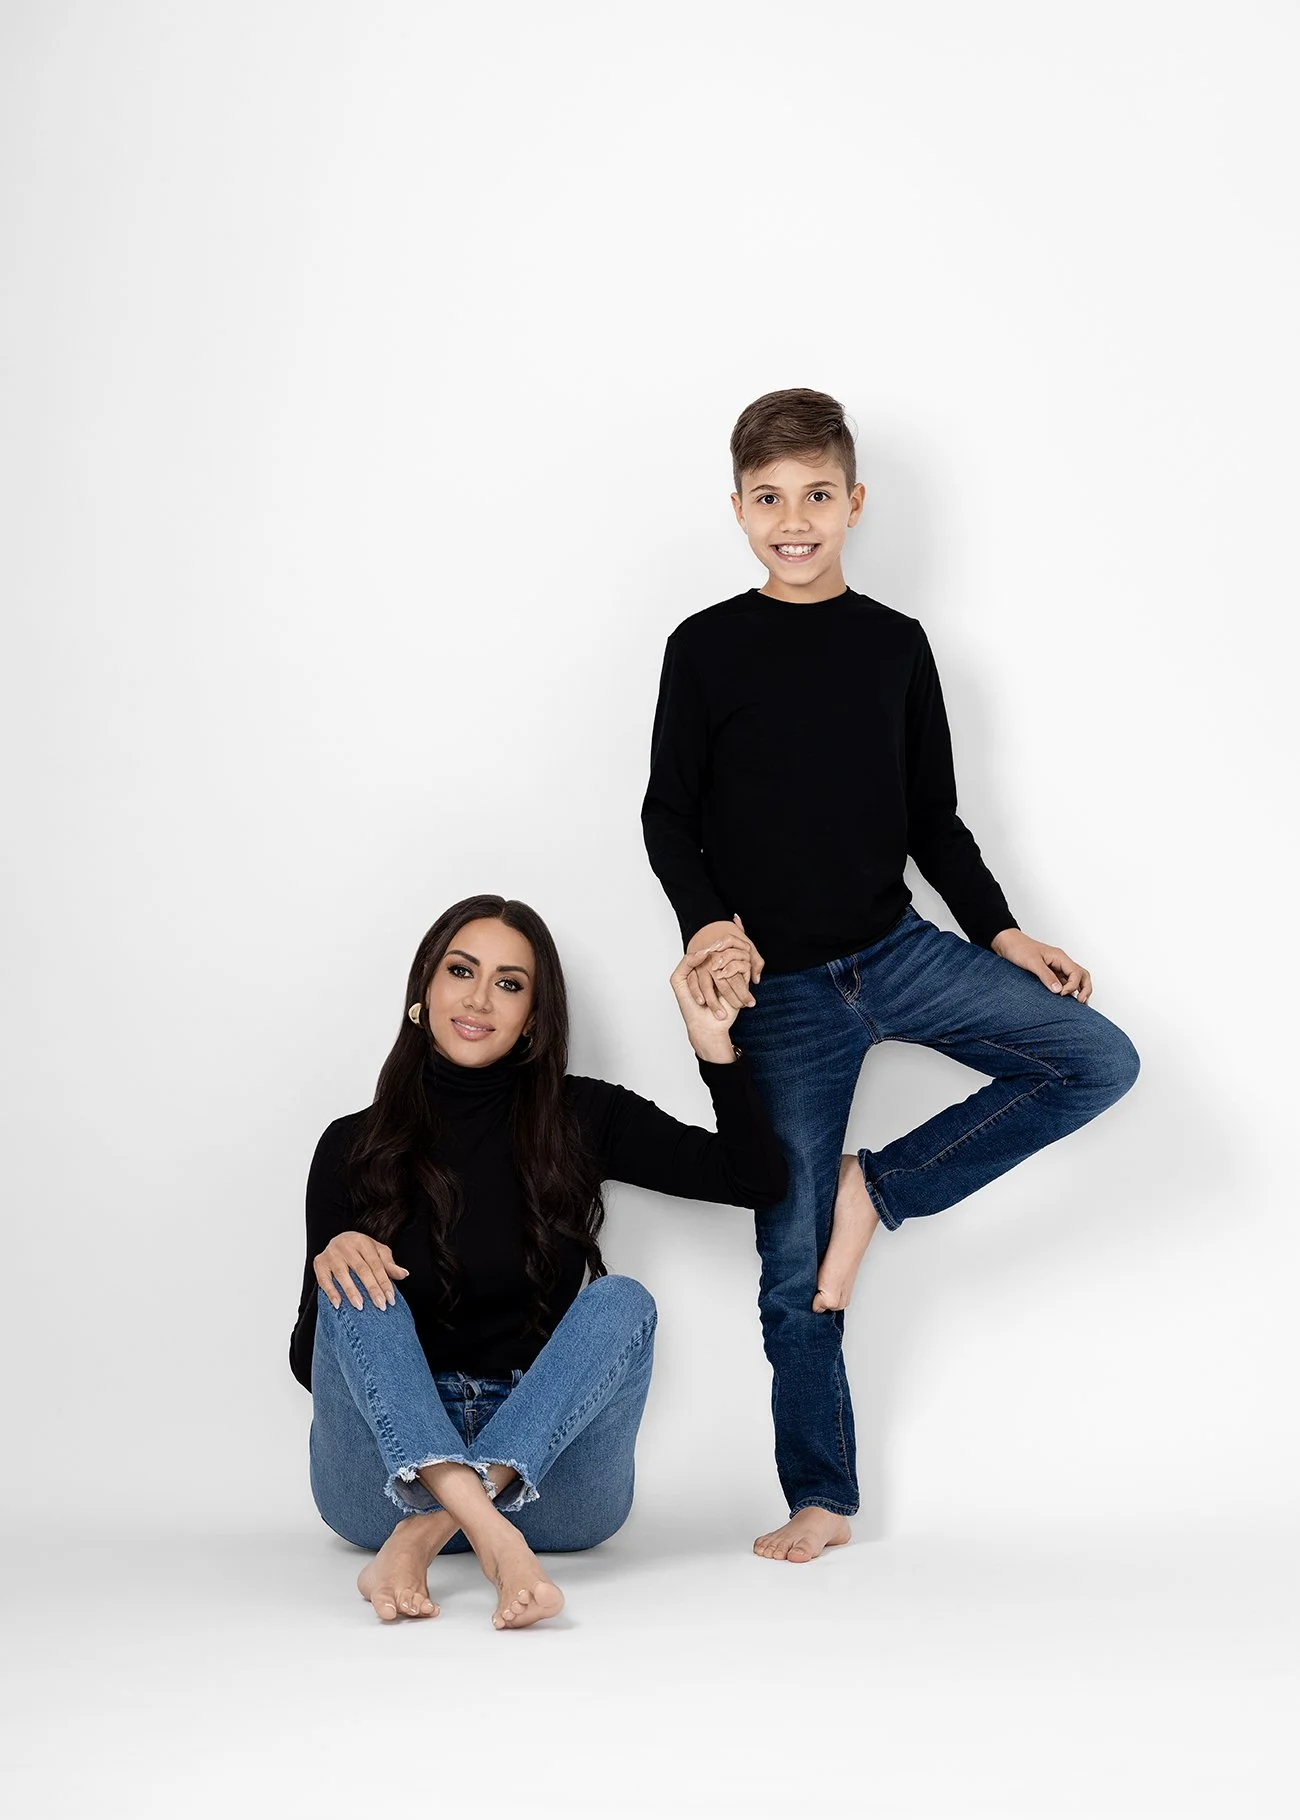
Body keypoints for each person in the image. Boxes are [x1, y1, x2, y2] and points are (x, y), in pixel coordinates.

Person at [641, 387, 1140, 1565]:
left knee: (1096, 1057)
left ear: (855, 501)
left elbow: (932, 820)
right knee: (790, 1261)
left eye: (817, 494)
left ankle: (883, 1185)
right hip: (781, 993)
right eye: (770, 498)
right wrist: (708, 926)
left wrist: (1001, 931)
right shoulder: (703, 647)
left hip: (897, 952)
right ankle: (821, 1495)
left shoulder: (896, 644)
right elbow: (669, 818)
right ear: (737, 509)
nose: (794, 520)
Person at [290, 893, 786, 1627]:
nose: (479, 999)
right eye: (462, 971)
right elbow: (312, 1362)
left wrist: (713, 1043)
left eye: (509, 983)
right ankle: (493, 1537)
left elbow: (755, 1181)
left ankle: (431, 1532)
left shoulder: (585, 1116)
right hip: (383, 1483)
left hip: (550, 1485)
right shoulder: (348, 1146)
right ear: (424, 987)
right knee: (351, 1280)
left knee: (622, 1300)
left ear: (532, 1015)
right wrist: (337, 1261)